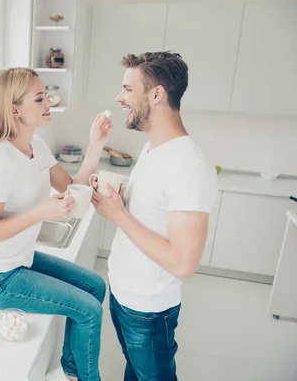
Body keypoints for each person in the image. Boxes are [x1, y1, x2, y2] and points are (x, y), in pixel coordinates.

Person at [0, 67, 112, 381]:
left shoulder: (38, 147)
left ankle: (69, 373)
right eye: (40, 97)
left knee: (96, 287)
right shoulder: (0, 161)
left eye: (46, 95)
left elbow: (73, 189)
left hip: (19, 261)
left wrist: (96, 143)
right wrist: (39, 213)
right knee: (89, 310)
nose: (49, 102)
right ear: (14, 109)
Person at [91, 51, 218, 381]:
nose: (119, 98)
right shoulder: (152, 148)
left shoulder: (189, 163)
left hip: (148, 309)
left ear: (157, 94)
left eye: (128, 90)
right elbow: (148, 215)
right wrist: (119, 202)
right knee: (134, 372)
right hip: (123, 293)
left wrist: (119, 216)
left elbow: (183, 264)